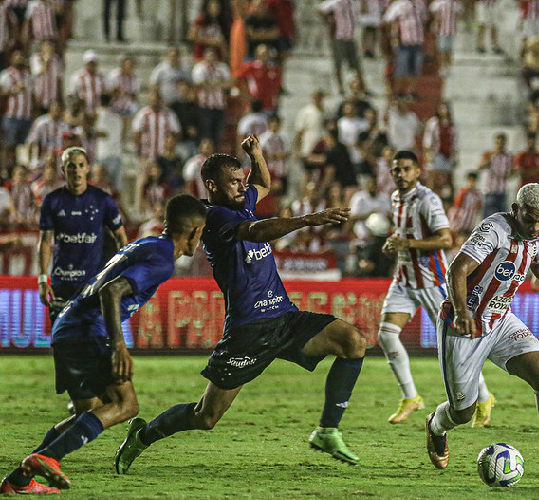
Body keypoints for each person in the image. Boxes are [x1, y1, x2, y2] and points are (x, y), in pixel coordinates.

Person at [114, 136, 367, 474]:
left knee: (353, 341)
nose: (241, 184)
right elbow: (257, 231)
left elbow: (262, 182)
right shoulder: (215, 217)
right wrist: (307, 220)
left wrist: (257, 155)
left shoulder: (240, 201)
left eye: (240, 179)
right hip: (248, 330)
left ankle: (327, 430)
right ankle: (143, 435)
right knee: (206, 416)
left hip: (284, 318)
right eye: (232, 181)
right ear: (211, 185)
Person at [0, 194, 207, 495]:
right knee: (126, 404)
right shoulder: (163, 259)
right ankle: (48, 457)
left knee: (91, 410)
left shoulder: (148, 244)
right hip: (86, 330)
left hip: (67, 327)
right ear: (194, 232)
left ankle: (20, 479)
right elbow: (112, 291)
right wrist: (118, 346)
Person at [424, 182, 539, 484]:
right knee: (463, 413)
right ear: (516, 210)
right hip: (465, 325)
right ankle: (435, 426)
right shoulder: (495, 230)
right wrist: (463, 312)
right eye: (530, 220)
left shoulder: (537, 233)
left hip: (501, 320)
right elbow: (457, 269)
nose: (536, 227)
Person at [378, 151, 495, 426]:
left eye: (407, 169)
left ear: (417, 172)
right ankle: (410, 397)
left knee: (459, 348)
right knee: (386, 335)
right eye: (396, 170)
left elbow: (445, 239)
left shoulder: (427, 199)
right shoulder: (396, 198)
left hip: (432, 283)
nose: (401, 174)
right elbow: (405, 235)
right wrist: (393, 243)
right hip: (404, 280)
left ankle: (484, 397)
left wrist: (407, 245)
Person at [38, 146, 129, 324]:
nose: (76, 170)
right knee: (62, 341)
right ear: (64, 170)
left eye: (81, 165)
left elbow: (120, 237)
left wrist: (121, 273)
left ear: (87, 168)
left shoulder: (103, 200)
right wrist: (42, 279)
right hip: (61, 282)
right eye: (71, 166)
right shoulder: (52, 201)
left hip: (93, 285)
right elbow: (44, 241)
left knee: (91, 340)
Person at [478, 132, 515, 217]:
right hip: (489, 191)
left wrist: (508, 174)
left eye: (502, 143)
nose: (500, 145)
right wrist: (486, 164)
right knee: (487, 219)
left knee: (502, 219)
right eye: (498, 143)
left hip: (502, 191)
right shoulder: (488, 154)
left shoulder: (509, 156)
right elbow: (480, 166)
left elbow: (512, 172)